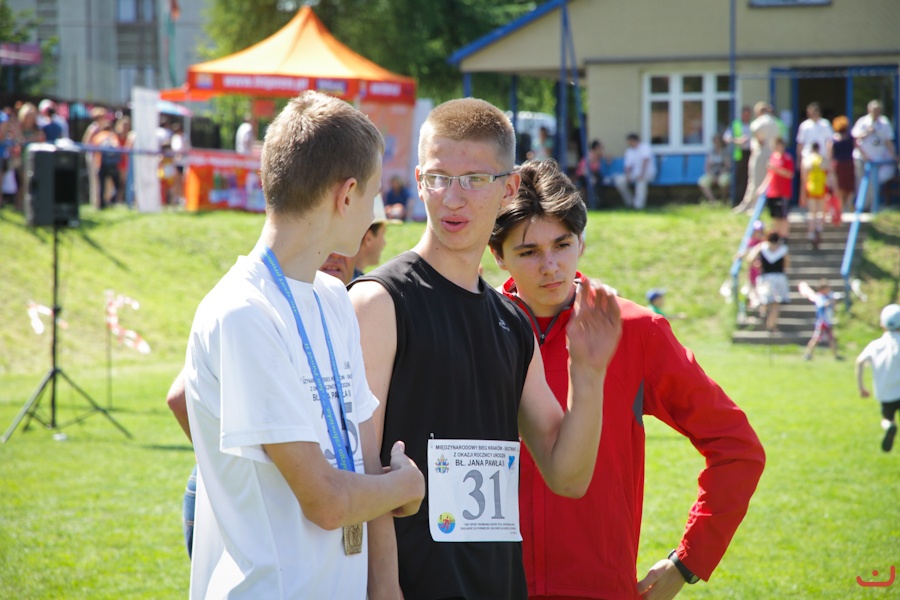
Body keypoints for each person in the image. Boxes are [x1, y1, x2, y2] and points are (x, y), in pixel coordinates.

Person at [347, 97, 622, 599]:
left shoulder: (512, 323)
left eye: (474, 179)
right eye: (438, 178)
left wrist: (588, 373)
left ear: (508, 188)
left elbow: (567, 476)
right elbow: (362, 468)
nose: (453, 198)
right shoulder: (379, 302)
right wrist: (383, 589)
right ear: (418, 180)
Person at [182, 90, 425, 599]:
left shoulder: (334, 297)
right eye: (375, 193)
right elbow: (326, 502)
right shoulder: (244, 312)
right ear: (347, 195)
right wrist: (403, 486)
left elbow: (362, 458)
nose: (376, 212)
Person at [489, 158, 764, 600]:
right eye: (528, 252)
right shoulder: (472, 332)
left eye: (562, 244)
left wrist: (688, 560)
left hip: (600, 590)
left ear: (581, 242)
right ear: (498, 256)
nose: (550, 266)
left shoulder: (636, 331)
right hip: (487, 586)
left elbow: (737, 447)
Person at [855, 303, 900, 452]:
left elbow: (860, 362)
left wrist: (861, 387)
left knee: (887, 418)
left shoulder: (876, 345)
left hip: (886, 394)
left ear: (882, 324)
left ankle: (889, 426)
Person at [734, 102, 780, 213]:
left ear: (759, 112)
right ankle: (764, 205)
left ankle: (752, 206)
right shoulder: (775, 122)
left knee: (755, 181)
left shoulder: (759, 122)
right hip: (772, 154)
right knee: (768, 182)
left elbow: (755, 129)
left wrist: (760, 140)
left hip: (760, 153)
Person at [851, 99, 898, 209]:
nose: (876, 112)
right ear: (869, 110)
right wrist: (867, 132)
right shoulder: (862, 122)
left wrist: (894, 156)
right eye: (874, 109)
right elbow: (856, 138)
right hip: (862, 158)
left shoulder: (884, 123)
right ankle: (862, 207)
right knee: (862, 183)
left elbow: (888, 141)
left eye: (878, 109)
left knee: (874, 183)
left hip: (877, 160)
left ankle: (873, 207)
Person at [746, 232, 790, 333]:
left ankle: (764, 311)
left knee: (765, 298)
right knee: (776, 303)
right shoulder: (782, 249)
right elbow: (787, 263)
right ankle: (772, 325)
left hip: (765, 277)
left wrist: (757, 266)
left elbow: (750, 258)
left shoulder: (762, 247)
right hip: (779, 277)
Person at [754, 137, 794, 239]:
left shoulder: (787, 158)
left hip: (783, 192)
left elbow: (789, 174)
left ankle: (784, 236)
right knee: (774, 216)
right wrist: (763, 187)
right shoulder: (772, 157)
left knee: (783, 216)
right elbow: (770, 175)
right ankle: (776, 237)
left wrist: (776, 169)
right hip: (772, 192)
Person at [796, 102, 833, 208]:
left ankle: (823, 207)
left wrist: (829, 157)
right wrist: (799, 159)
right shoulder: (804, 125)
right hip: (807, 156)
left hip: (822, 156)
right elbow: (800, 143)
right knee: (805, 180)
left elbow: (829, 142)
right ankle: (805, 204)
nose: (813, 114)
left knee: (824, 181)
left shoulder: (825, 124)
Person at [613, 132, 657, 210]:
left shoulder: (645, 147)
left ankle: (638, 205)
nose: (629, 144)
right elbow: (627, 166)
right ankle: (630, 202)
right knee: (619, 181)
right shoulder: (629, 151)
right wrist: (627, 176)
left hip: (647, 173)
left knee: (641, 181)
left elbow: (645, 160)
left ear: (634, 140)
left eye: (630, 142)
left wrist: (642, 174)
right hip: (634, 174)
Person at [723, 105, 752, 207]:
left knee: (748, 178)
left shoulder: (752, 125)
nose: (746, 117)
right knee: (739, 178)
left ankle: (746, 201)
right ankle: (737, 200)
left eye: (748, 115)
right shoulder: (735, 124)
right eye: (745, 115)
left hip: (750, 153)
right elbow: (726, 138)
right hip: (739, 155)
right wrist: (737, 140)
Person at [802, 142, 828, 249]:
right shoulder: (823, 159)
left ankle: (811, 233)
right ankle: (819, 228)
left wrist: (802, 193)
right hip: (821, 187)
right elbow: (828, 173)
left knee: (811, 212)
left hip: (811, 187)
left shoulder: (807, 159)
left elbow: (804, 176)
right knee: (820, 211)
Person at [828, 115, 856, 213]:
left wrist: (830, 167)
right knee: (849, 186)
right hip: (849, 164)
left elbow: (830, 154)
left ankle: (841, 207)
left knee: (839, 187)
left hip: (838, 165)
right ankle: (848, 205)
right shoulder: (850, 138)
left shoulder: (833, 140)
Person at [698, 134, 731, 203]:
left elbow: (727, 165)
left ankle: (724, 200)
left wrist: (720, 175)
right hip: (712, 173)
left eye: (717, 141)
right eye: (715, 141)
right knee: (703, 181)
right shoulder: (711, 152)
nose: (716, 143)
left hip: (723, 173)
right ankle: (713, 201)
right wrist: (710, 175)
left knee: (723, 181)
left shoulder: (725, 152)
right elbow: (707, 166)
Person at [575, 138, 604, 209]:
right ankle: (592, 204)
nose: (602, 150)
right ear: (596, 148)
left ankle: (597, 203)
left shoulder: (598, 157)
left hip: (592, 175)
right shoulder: (591, 156)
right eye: (600, 148)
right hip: (583, 176)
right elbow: (584, 170)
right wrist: (590, 178)